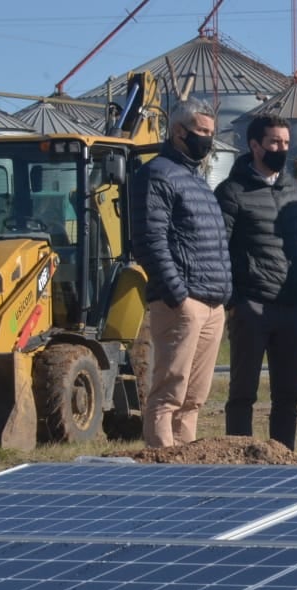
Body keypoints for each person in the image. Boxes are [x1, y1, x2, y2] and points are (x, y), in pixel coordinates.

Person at [129, 97, 232, 448]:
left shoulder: (197, 180)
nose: (207, 139)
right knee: (169, 393)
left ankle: (186, 468)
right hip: (182, 303)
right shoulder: (156, 175)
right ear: (178, 132)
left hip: (212, 303)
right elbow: (149, 239)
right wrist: (178, 295)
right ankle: (161, 469)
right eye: (201, 132)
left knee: (193, 399)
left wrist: (223, 295)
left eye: (210, 133)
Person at [215, 114, 297, 451]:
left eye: (286, 143)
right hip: (252, 305)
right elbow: (220, 248)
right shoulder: (231, 192)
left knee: (288, 395)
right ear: (255, 145)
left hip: (293, 306)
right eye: (275, 142)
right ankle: (239, 461)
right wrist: (233, 299)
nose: (281, 149)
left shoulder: (292, 189)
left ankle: (283, 456)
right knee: (243, 392)